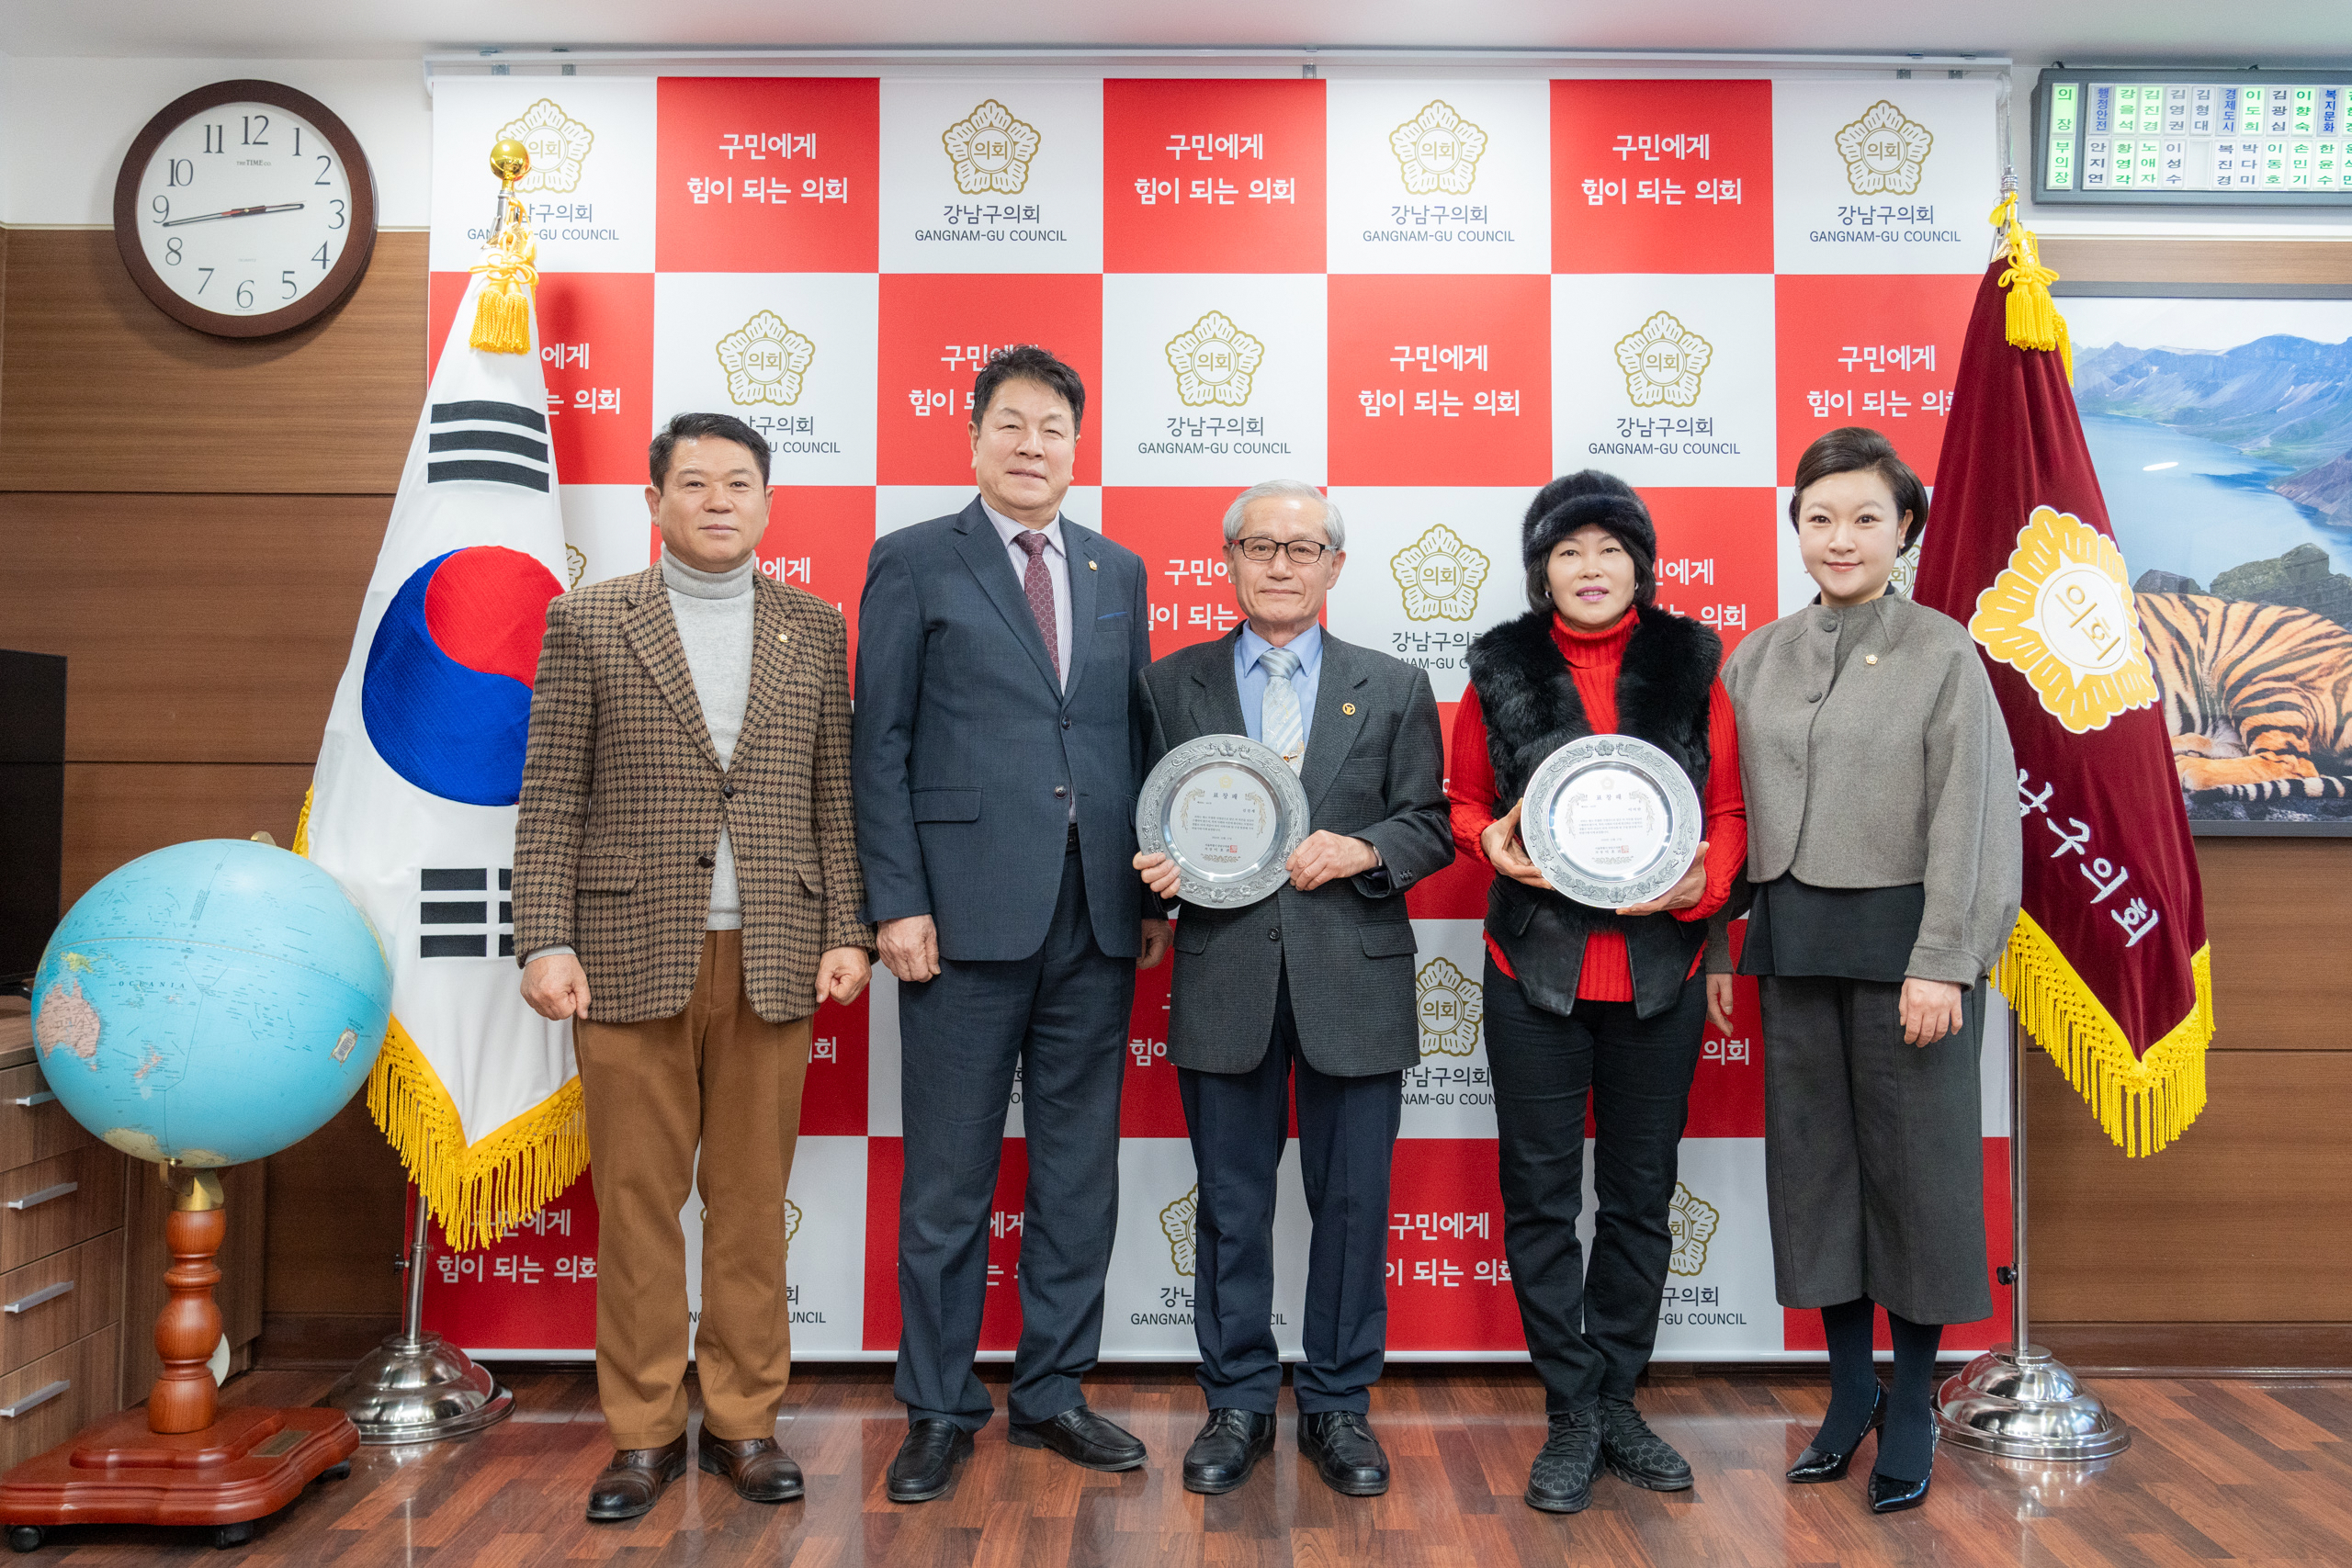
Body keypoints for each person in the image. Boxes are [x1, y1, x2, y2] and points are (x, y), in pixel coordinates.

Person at [514, 412, 875, 1522]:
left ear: (767, 504)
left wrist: (848, 929)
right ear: (655, 500)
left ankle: (743, 1420)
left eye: (738, 485)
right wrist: (544, 937)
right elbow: (551, 793)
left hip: (773, 949)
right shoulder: (587, 621)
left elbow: (831, 794)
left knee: (753, 1203)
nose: (718, 501)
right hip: (622, 952)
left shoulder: (814, 627)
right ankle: (639, 1431)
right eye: (694, 483)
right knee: (635, 1203)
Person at [854, 344, 1168, 1504]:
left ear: (1077, 449)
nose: (1033, 446)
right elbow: (875, 746)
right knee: (947, 1182)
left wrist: (1141, 898)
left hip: (1094, 917)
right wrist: (897, 901)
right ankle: (939, 1405)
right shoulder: (912, 561)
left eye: (1054, 430)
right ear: (973, 436)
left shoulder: (1117, 567)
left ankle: (1052, 1392)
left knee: (1078, 1172)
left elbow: (1128, 740)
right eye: (1012, 425)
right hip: (957, 920)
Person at [1708, 426, 2020, 1516]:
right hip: (1790, 945)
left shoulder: (1943, 653)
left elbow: (1973, 821)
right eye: (1819, 517)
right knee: (1817, 1178)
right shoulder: (1754, 655)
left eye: (1865, 519)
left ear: (1905, 532)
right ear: (1796, 528)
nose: (1840, 538)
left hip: (1909, 960)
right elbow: (1727, 817)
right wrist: (1718, 941)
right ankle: (1848, 1395)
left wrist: (1944, 960)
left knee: (1917, 1182)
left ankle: (1914, 1403)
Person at [1131, 481, 1453, 1499]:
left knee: (1354, 1208)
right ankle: (1234, 1400)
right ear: (1225, 561)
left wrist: (1362, 847)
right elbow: (1145, 820)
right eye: (1259, 546)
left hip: (1351, 983)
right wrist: (1156, 870)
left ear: (1334, 568)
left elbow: (1430, 824)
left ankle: (1339, 1407)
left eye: (1301, 547)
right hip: (1224, 975)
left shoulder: (1394, 684)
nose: (1280, 564)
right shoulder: (1167, 685)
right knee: (1229, 1208)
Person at [1449, 471, 1747, 1515]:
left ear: (1639, 564)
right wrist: (1482, 840)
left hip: (1658, 970)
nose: (1589, 569)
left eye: (1607, 550)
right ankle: (1570, 1409)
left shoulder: (1691, 660)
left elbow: (1729, 808)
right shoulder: (1499, 662)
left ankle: (1619, 1395)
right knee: (1537, 1199)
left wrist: (1705, 882)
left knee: (1637, 1199)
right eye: (1568, 552)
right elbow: (1467, 800)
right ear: (1543, 570)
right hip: (1531, 967)